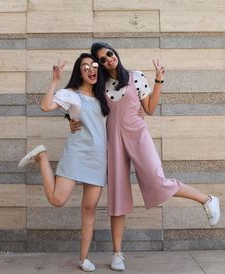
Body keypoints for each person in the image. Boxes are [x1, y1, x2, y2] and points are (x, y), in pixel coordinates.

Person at [70, 42, 220, 271]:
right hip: (114, 140)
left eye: (109, 54)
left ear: (115, 53)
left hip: (138, 134)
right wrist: (72, 121)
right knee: (118, 196)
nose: (108, 59)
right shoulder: (100, 87)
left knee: (156, 179)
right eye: (102, 59)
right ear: (99, 65)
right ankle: (118, 253)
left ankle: (207, 200)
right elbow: (80, 101)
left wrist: (159, 79)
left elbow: (149, 108)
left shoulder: (135, 76)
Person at [18, 53, 109, 272]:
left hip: (98, 159)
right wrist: (56, 81)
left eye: (94, 65)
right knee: (57, 199)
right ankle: (42, 157)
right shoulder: (71, 95)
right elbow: (46, 106)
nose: (90, 69)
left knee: (89, 209)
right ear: (79, 72)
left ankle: (84, 257)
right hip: (77, 154)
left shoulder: (104, 96)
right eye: (85, 66)